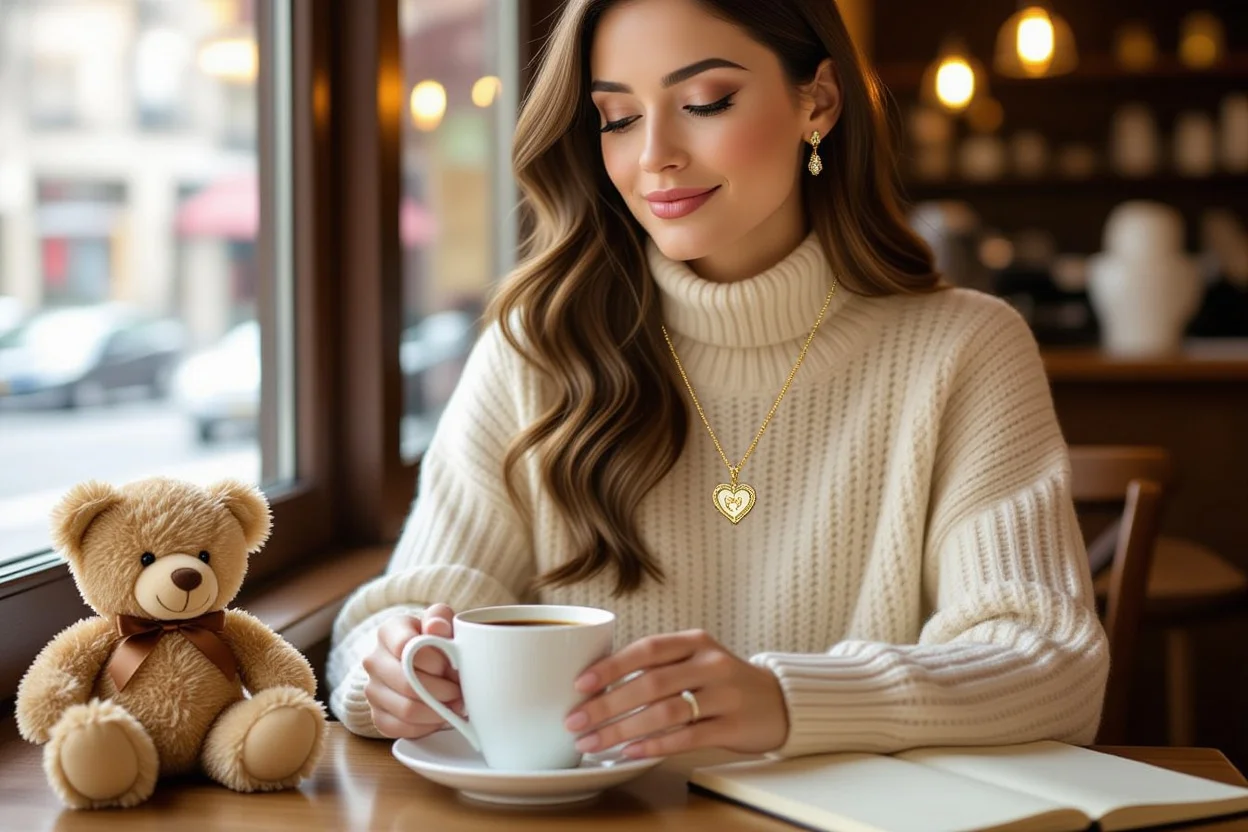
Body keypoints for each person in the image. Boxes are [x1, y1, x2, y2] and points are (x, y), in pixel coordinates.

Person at [327, 0, 1108, 760]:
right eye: (618, 117)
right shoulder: (536, 348)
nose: (653, 154)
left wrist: (786, 700)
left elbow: (1050, 665)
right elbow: (400, 614)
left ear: (820, 101)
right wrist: (390, 670)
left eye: (706, 101)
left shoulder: (965, 348)